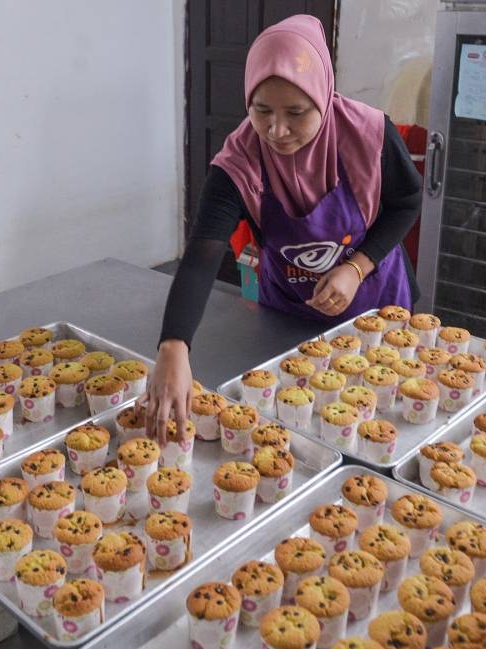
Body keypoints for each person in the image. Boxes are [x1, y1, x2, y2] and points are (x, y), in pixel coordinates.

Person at [145, 14, 422, 442]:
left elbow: (406, 202)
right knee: (293, 432)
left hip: (374, 306)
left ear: (324, 97)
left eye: (296, 112)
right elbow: (202, 256)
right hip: (289, 316)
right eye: (261, 111)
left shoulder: (368, 134)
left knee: (379, 428)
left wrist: (357, 267)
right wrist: (173, 345)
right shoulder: (239, 161)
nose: (276, 130)